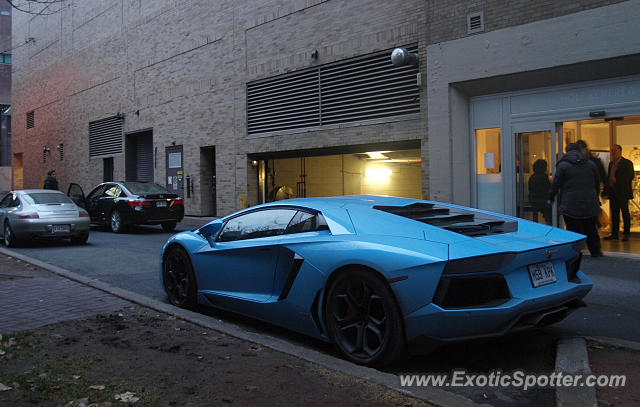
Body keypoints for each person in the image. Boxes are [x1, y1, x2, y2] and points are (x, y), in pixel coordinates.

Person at [549, 143, 602, 257]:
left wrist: (551, 197)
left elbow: (556, 183)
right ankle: (595, 250)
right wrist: (595, 197)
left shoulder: (563, 165)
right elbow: (596, 183)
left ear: (566, 151)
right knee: (591, 228)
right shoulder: (590, 164)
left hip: (570, 202)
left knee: (573, 229)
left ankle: (575, 252)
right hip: (590, 201)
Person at [603, 144, 635, 241]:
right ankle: (614, 233)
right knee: (615, 214)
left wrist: (616, 180)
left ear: (620, 151)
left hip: (623, 192)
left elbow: (630, 177)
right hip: (613, 193)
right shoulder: (611, 164)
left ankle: (626, 233)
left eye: (615, 150)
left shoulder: (627, 163)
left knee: (625, 213)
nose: (613, 152)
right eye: (611, 150)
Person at [528, 159, 551, 224]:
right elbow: (547, 189)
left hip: (533, 200)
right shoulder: (544, 177)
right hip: (542, 200)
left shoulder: (532, 177)